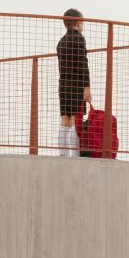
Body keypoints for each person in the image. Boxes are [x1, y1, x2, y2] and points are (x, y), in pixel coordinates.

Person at [56, 8, 91, 157]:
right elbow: (83, 64)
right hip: (76, 85)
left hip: (63, 85)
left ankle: (63, 155)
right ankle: (76, 157)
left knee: (65, 120)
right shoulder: (79, 39)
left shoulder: (61, 42)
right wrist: (87, 86)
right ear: (78, 23)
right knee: (77, 122)